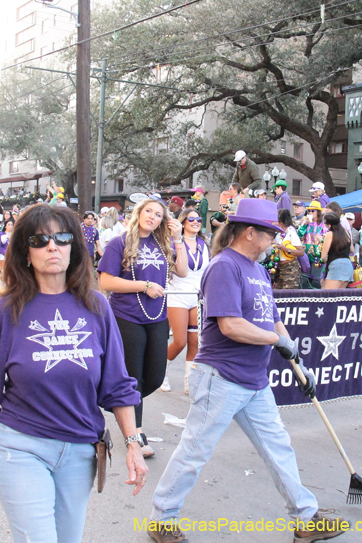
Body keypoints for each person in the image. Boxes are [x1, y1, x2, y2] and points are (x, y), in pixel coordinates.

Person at [0, 204, 148, 543]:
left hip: (81, 451)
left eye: (62, 238)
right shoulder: (5, 311)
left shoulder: (97, 307)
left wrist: (133, 445)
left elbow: (118, 386)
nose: (53, 246)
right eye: (40, 240)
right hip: (22, 449)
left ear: (74, 248)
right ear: (26, 252)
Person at [147, 198, 346, 543]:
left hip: (254, 380)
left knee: (278, 447)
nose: (274, 241)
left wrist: (298, 361)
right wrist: (276, 341)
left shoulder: (257, 270)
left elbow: (274, 320)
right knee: (194, 452)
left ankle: (305, 518)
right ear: (250, 233)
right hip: (221, 377)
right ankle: (162, 519)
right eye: (270, 234)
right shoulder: (224, 266)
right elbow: (230, 326)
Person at [98, 198, 188, 458]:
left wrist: (179, 239)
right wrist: (144, 286)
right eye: (148, 211)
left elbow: (182, 271)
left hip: (157, 316)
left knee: (156, 377)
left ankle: (119, 401)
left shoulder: (162, 244)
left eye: (158, 214)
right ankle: (136, 434)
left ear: (163, 221)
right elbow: (106, 282)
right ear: (139, 213)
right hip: (127, 316)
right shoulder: (119, 243)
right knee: (134, 377)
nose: (152, 217)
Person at [164, 208, 209, 395]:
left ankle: (189, 382)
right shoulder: (173, 243)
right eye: (191, 219)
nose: (196, 222)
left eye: (198, 219)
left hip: (197, 296)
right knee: (180, 341)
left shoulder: (205, 244)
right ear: (182, 222)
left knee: (195, 342)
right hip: (177, 295)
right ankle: (161, 372)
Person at [272, 208, 304, 290]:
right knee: (277, 294)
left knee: (288, 294)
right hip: (279, 268)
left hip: (290, 268)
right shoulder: (278, 234)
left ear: (281, 223)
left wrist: (285, 249)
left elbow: (301, 252)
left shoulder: (291, 233)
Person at [321, 212, 353, 289]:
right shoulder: (346, 232)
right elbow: (352, 249)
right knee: (340, 295)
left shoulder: (330, 234)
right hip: (348, 265)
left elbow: (323, 256)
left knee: (328, 294)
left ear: (329, 225)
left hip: (336, 265)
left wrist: (326, 261)